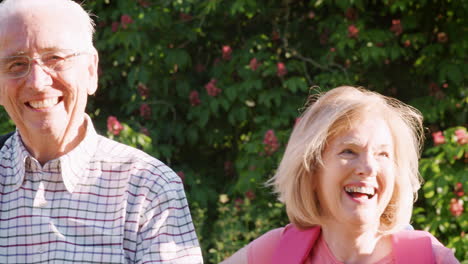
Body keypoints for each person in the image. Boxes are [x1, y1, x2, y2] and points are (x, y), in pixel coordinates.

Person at [0, 0, 203, 263]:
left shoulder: (147, 188)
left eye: (55, 58)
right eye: (16, 64)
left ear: (91, 70)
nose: (38, 82)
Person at [221, 86, 460, 264]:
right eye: (349, 151)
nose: (368, 167)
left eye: (382, 154)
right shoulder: (277, 252)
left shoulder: (430, 259)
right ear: (311, 169)